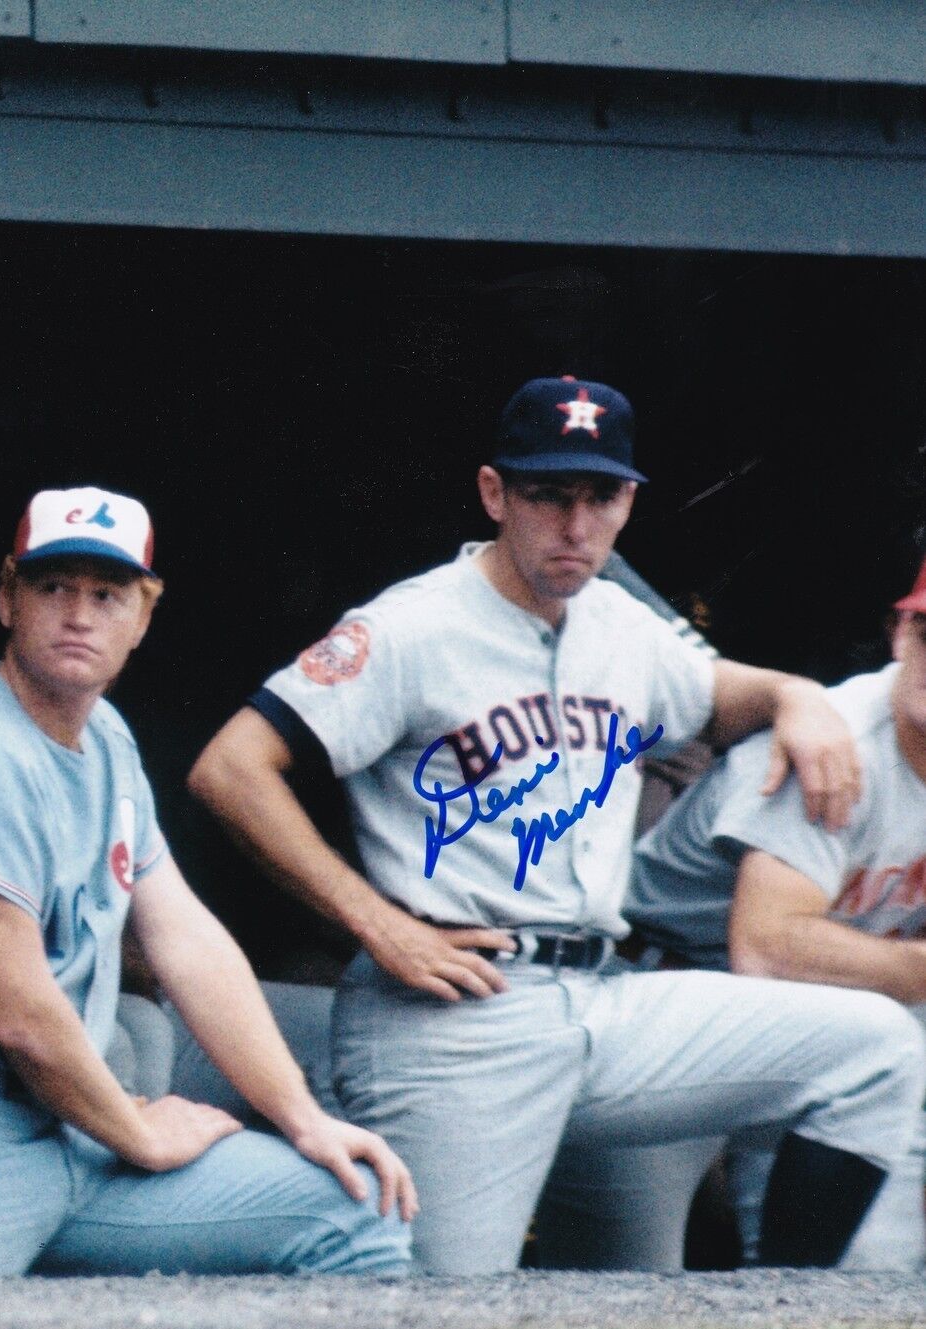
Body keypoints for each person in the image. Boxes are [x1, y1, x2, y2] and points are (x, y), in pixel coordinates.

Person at [188, 374, 926, 1273]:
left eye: (601, 497)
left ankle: (786, 1312)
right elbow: (230, 769)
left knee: (875, 1049)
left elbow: (724, 695)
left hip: (605, 1002)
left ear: (628, 502)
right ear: (496, 492)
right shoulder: (412, 626)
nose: (576, 527)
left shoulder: (621, 625)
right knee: (436, 1315)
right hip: (456, 1021)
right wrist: (377, 924)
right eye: (548, 495)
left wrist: (797, 697)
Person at [0, 484, 415, 1279]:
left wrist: (301, 1119)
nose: (79, 614)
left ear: (144, 615)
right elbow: (20, 1016)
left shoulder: (104, 735)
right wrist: (138, 1134)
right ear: (7, 597)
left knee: (353, 1210)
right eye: (53, 587)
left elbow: (184, 939)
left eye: (108, 594)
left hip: (68, 1128)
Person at [551, 555, 926, 1270]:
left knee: (875, 1284)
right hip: (655, 998)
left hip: (838, 1030)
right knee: (622, 1294)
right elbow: (771, 949)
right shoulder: (835, 740)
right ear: (901, 633)